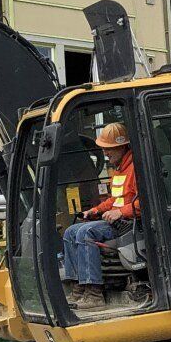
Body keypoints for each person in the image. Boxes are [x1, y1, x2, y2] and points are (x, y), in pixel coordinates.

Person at [59, 122, 138, 308]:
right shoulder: (119, 170)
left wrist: (120, 212)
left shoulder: (136, 168)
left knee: (86, 233)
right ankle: (78, 288)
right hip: (117, 219)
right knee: (70, 232)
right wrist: (96, 210)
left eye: (109, 149)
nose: (106, 153)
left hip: (128, 223)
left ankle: (94, 293)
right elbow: (114, 200)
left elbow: (145, 202)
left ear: (121, 146)